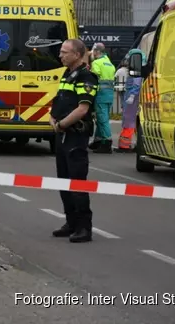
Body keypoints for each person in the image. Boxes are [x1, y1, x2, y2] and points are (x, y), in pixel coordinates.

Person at [49, 39, 98, 243]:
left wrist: (61, 125)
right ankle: (70, 222)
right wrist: (53, 118)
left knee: (77, 182)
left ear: (77, 54)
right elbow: (59, 100)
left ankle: (83, 227)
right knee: (63, 181)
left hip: (75, 135)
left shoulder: (87, 78)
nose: (60, 56)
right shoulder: (67, 75)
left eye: (64, 52)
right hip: (62, 135)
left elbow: (82, 109)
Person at [89, 43, 115, 154]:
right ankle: (98, 141)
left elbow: (93, 78)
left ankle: (107, 142)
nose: (92, 53)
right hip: (109, 95)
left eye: (93, 51)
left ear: (97, 52)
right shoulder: (109, 64)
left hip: (101, 94)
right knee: (102, 118)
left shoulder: (96, 63)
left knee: (102, 119)